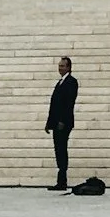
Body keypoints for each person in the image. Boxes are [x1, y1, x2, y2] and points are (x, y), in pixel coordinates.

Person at [44, 55, 78, 192]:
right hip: (56, 123)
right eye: (59, 66)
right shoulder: (60, 83)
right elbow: (54, 105)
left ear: (69, 67)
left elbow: (68, 104)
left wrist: (62, 121)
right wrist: (49, 123)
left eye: (63, 66)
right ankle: (60, 180)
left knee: (61, 149)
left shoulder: (71, 82)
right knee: (58, 150)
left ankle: (62, 180)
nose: (60, 68)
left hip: (63, 123)